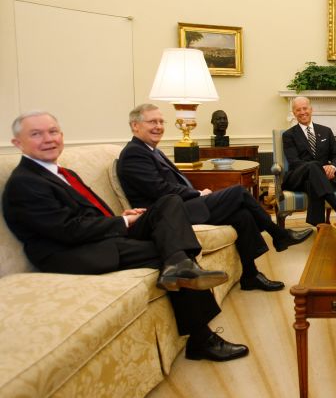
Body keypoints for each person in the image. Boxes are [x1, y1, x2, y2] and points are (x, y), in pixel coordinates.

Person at [3, 111, 248, 362]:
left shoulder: (65, 173)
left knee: (169, 203)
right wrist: (121, 222)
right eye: (36, 134)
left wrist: (121, 215)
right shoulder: (25, 182)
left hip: (96, 236)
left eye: (53, 131)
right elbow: (68, 231)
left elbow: (88, 215)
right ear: (18, 143)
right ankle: (201, 338)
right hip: (70, 253)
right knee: (174, 254)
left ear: (62, 136)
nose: (48, 139)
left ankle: (179, 266)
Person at [117, 104, 312, 292]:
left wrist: (197, 192)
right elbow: (158, 189)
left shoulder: (151, 151)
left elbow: (170, 184)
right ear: (135, 125)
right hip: (167, 216)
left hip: (182, 205)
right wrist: (197, 193)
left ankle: (250, 276)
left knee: (242, 214)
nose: (159, 127)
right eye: (152, 122)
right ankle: (279, 234)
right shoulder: (134, 153)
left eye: (161, 122)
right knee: (239, 192)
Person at [281, 97, 336, 226]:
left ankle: (319, 226)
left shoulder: (326, 131)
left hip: (318, 180)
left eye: (305, 108)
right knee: (314, 166)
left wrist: (332, 167)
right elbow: (294, 161)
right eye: (298, 110)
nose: (302, 112)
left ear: (311, 109)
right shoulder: (289, 135)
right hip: (297, 178)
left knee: (313, 182)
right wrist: (320, 168)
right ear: (294, 113)